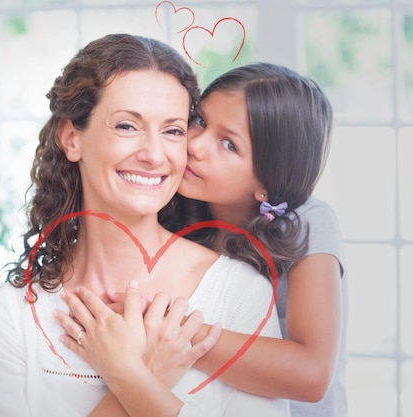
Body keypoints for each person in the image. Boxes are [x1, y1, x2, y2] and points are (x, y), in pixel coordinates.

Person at [0, 34, 289, 417]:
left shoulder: (239, 293)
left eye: (173, 130)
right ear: (72, 138)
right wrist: (147, 375)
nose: (154, 155)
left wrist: (127, 376)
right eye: (127, 126)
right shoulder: (14, 315)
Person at [57, 62, 347, 417]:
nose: (194, 144)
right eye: (200, 122)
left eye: (228, 144)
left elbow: (312, 375)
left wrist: (169, 332)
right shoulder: (176, 205)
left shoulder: (306, 221)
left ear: (268, 184)